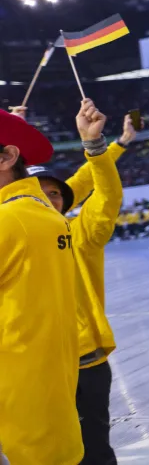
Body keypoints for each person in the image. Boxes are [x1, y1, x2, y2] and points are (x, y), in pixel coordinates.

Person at [27, 100, 124, 465]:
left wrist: (96, 145)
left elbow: (107, 196)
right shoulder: (11, 235)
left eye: (55, 193)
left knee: (93, 449)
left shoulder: (80, 233)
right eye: (40, 193)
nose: (49, 198)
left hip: (83, 359)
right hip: (32, 361)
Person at [0, 110, 83, 465]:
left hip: (14, 415)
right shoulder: (43, 214)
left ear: (7, 157)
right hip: (47, 406)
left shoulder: (8, 219)